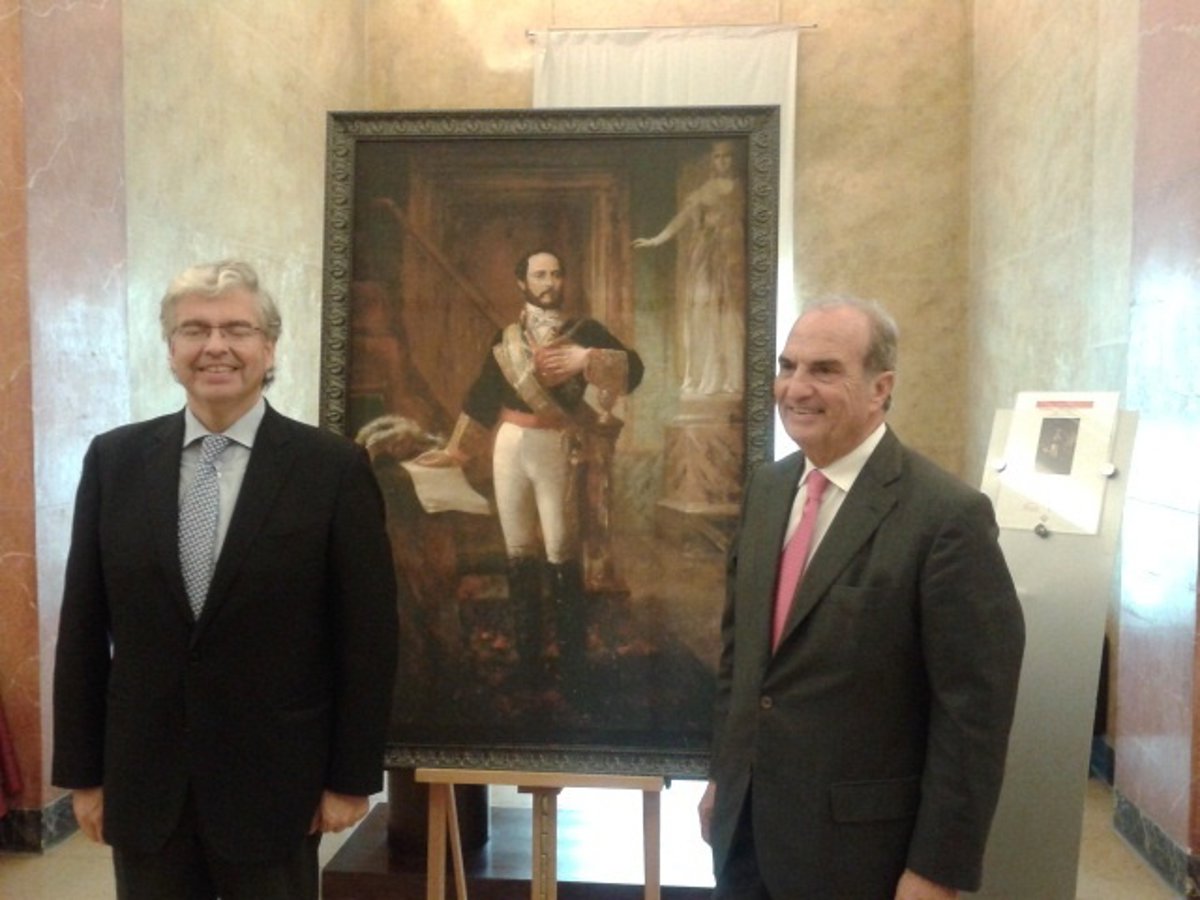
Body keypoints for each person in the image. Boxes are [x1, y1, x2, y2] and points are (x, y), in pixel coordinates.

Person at [52, 260, 399, 900]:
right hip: (146, 782)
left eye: (237, 329)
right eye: (195, 329)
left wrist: (351, 777)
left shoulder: (332, 469)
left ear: (269, 348)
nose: (216, 346)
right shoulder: (114, 461)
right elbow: (81, 628)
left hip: (277, 785)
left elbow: (367, 639)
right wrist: (84, 775)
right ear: (171, 349)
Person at [700, 297, 1025, 899]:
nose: (796, 388)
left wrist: (937, 869)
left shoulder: (946, 518)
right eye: (789, 366)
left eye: (825, 370)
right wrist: (724, 776)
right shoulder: (767, 490)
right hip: (745, 836)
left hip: (859, 857)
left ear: (881, 388)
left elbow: (973, 716)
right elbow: (740, 657)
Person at [417, 249, 643, 683]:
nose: (549, 282)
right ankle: (528, 662)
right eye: (540, 275)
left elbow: (635, 371)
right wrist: (455, 453)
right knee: (518, 549)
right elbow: (483, 396)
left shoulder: (586, 331)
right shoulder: (505, 338)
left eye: (556, 274)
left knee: (560, 548)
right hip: (508, 446)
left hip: (555, 444)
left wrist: (586, 359)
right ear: (522, 283)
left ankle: (573, 663)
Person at [633, 139, 745, 396]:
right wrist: (656, 239)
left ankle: (732, 377)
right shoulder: (705, 190)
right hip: (707, 256)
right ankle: (708, 376)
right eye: (718, 157)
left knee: (730, 316)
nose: (723, 161)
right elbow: (682, 219)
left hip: (733, 258)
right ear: (713, 161)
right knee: (705, 312)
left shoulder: (742, 189)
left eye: (727, 156)